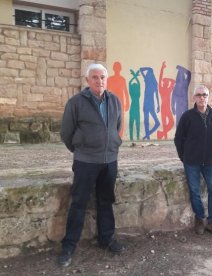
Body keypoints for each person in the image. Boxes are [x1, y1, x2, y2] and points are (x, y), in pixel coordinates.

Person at [58, 63, 125, 267]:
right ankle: (69, 246)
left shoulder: (114, 100)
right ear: (88, 80)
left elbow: (118, 126)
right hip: (85, 162)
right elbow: (66, 133)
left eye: (103, 77)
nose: (100, 80)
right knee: (78, 203)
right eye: (95, 77)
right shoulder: (76, 102)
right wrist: (81, 150)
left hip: (109, 161)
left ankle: (106, 239)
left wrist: (114, 144)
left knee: (106, 200)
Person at [174, 84, 212, 238]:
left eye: (205, 95)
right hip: (192, 162)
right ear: (194, 97)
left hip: (209, 162)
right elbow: (178, 139)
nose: (202, 98)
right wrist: (184, 157)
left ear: (208, 97)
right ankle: (200, 218)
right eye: (199, 95)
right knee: (195, 192)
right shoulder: (187, 116)